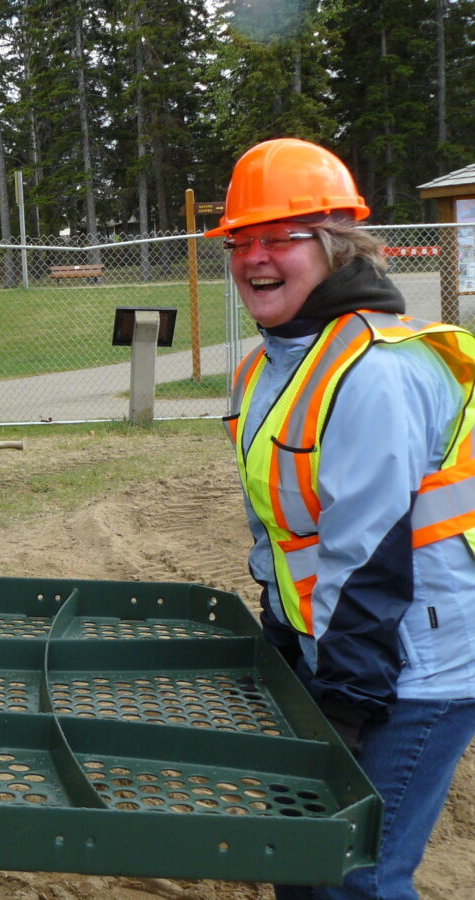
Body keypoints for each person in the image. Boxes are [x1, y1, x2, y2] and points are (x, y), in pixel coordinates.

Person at [212, 137, 475, 899]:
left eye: (279, 239)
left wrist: (345, 707)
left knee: (354, 875)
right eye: (241, 241)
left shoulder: (375, 371)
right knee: (299, 855)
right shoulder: (269, 364)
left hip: (410, 668)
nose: (255, 258)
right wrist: (284, 636)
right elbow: (285, 533)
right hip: (332, 648)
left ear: (333, 246)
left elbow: (370, 557)